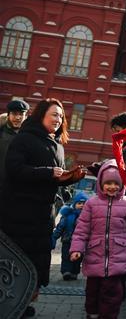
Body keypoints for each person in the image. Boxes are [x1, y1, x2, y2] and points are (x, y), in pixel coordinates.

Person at [0, 98, 85, 317]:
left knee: (36, 263)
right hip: (19, 213)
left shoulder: (57, 144)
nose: (58, 119)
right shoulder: (24, 139)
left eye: (61, 116)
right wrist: (47, 172)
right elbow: (15, 170)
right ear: (41, 116)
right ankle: (11, 303)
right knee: (16, 262)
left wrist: (70, 177)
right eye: (54, 114)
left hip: (43, 216)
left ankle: (24, 302)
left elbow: (53, 179)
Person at [70, 159, 126, 319]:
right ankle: (93, 313)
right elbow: (81, 229)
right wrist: (76, 248)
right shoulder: (91, 204)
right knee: (92, 293)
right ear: (101, 184)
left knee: (113, 296)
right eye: (108, 183)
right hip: (94, 258)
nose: (112, 187)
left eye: (116, 183)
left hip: (119, 260)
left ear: (122, 184)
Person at [52, 190, 90, 280]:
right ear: (74, 204)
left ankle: (74, 272)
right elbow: (60, 227)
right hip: (67, 240)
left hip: (81, 243)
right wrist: (54, 236)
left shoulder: (88, 217)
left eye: (84, 203)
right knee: (66, 257)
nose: (81, 205)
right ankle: (66, 272)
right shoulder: (67, 215)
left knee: (78, 259)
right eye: (79, 203)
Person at [0, 99, 29, 199]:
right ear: (8, 115)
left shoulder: (31, 137)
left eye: (21, 114)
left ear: (26, 116)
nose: (17, 117)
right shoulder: (1, 133)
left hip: (19, 191)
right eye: (14, 114)